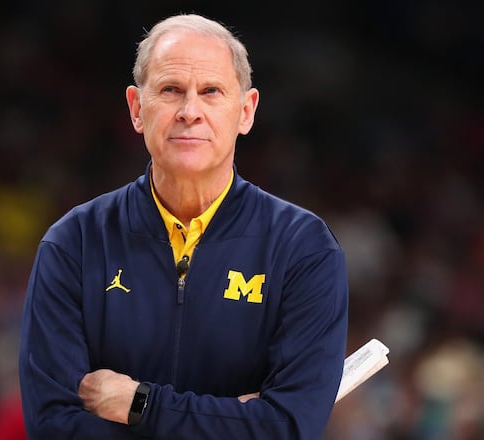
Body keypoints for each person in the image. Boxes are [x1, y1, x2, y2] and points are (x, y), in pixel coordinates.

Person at [18, 13, 349, 439]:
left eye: (211, 92)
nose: (190, 111)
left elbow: (286, 426)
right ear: (137, 109)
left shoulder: (304, 249)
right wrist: (234, 419)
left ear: (245, 112)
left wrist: (139, 404)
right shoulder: (73, 243)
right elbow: (53, 427)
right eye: (171, 90)